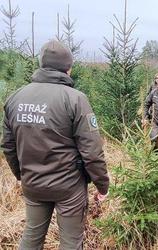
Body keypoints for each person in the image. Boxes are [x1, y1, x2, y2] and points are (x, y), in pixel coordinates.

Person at [1, 40, 110, 249]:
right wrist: (102, 186)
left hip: (32, 183)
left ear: (41, 64)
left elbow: (8, 145)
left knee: (32, 237)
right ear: (68, 67)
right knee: (71, 242)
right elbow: (92, 151)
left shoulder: (15, 98)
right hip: (68, 187)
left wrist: (22, 176)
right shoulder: (76, 99)